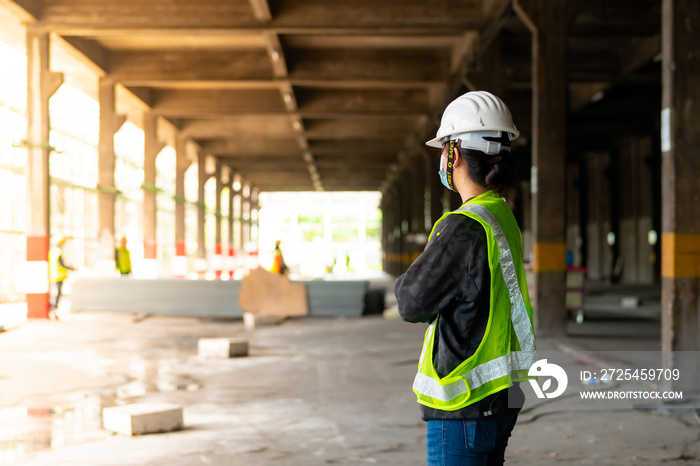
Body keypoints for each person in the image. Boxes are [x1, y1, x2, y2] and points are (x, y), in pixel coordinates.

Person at [395, 91, 536, 465]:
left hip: (465, 403)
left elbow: (411, 302)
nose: (441, 159)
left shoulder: (464, 225)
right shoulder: (500, 215)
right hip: (500, 397)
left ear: (454, 154)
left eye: (443, 149)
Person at [49, 236, 75, 317]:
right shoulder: (58, 252)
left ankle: (54, 308)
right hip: (58, 276)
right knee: (58, 293)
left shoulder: (52, 251)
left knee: (54, 293)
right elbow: (62, 264)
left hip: (53, 275)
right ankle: (55, 308)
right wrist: (71, 268)